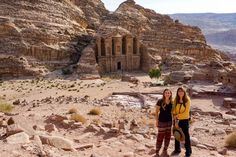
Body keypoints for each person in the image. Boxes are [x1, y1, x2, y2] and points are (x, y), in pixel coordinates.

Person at [172, 87, 192, 157]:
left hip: (184, 120)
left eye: (182, 91)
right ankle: (177, 149)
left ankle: (188, 151)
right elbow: (173, 108)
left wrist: (177, 116)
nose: (180, 93)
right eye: (179, 91)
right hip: (176, 120)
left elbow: (186, 113)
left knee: (186, 136)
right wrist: (174, 116)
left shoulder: (187, 100)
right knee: (176, 134)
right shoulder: (176, 99)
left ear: (184, 92)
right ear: (177, 92)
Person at [155, 89, 173, 157]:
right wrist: (156, 121)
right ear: (164, 94)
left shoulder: (172, 102)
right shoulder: (160, 101)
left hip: (169, 122)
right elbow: (156, 112)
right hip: (161, 122)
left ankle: (165, 150)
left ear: (170, 94)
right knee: (160, 137)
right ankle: (157, 151)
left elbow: (172, 113)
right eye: (166, 93)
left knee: (168, 137)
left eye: (169, 93)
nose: (167, 94)